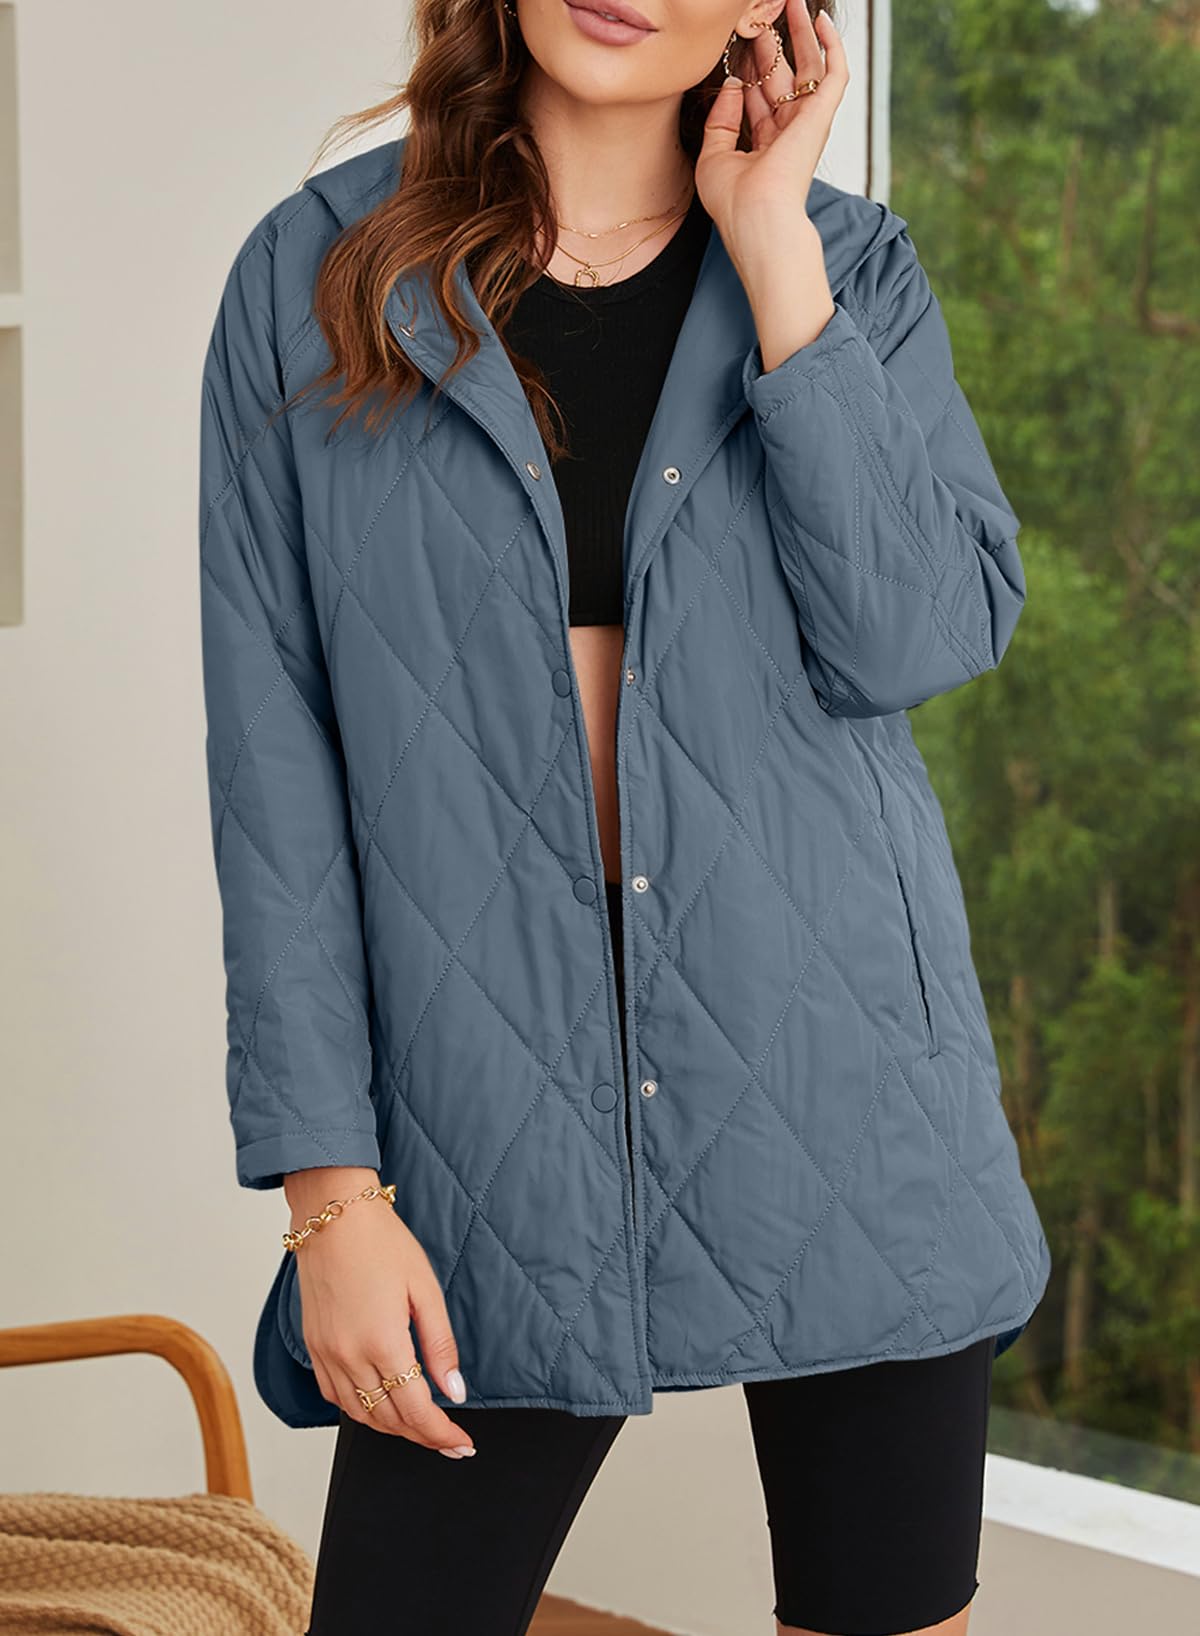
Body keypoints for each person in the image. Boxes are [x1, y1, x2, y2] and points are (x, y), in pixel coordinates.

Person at [197, 0, 1052, 1631]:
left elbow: (916, 640)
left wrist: (771, 243)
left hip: (848, 1085)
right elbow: (275, 776)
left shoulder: (848, 268)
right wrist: (331, 1198)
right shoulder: (316, 277)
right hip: (484, 1105)